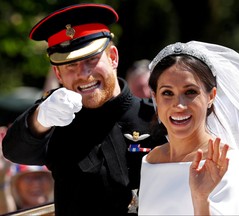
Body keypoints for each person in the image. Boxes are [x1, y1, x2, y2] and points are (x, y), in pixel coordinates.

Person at [1, 3, 166, 216]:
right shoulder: (55, 121)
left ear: (113, 57)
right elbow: (14, 150)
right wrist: (40, 118)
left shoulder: (155, 116)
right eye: (70, 65)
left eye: (91, 60)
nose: (83, 73)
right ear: (58, 74)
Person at [138, 41, 239, 215]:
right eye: (167, 93)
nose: (179, 105)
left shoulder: (229, 163)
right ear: (155, 97)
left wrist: (201, 199)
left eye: (190, 92)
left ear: (211, 96)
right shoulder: (151, 160)